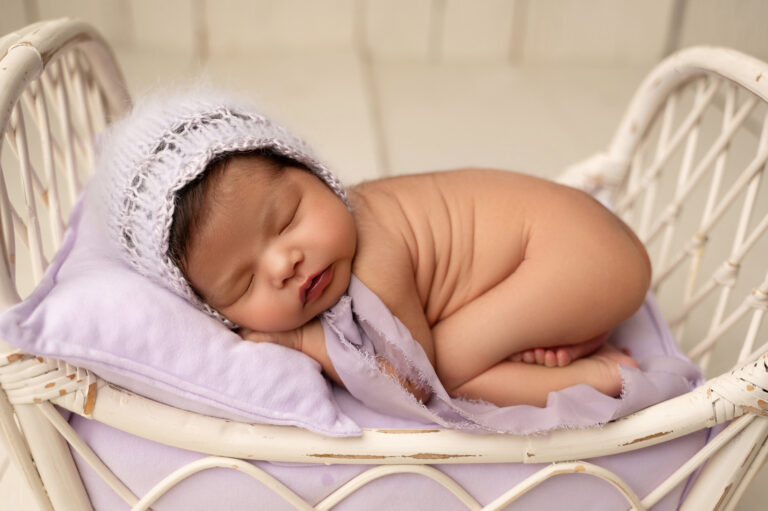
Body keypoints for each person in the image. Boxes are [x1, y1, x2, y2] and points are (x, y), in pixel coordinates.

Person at [104, 90, 650, 409]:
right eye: (244, 283)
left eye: (288, 219)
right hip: (577, 254)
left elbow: (414, 383)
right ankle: (564, 329)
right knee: (463, 336)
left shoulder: (374, 254)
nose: (284, 264)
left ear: (316, 173)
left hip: (580, 255)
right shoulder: (329, 236)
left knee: (447, 365)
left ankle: (593, 378)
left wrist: (303, 340)